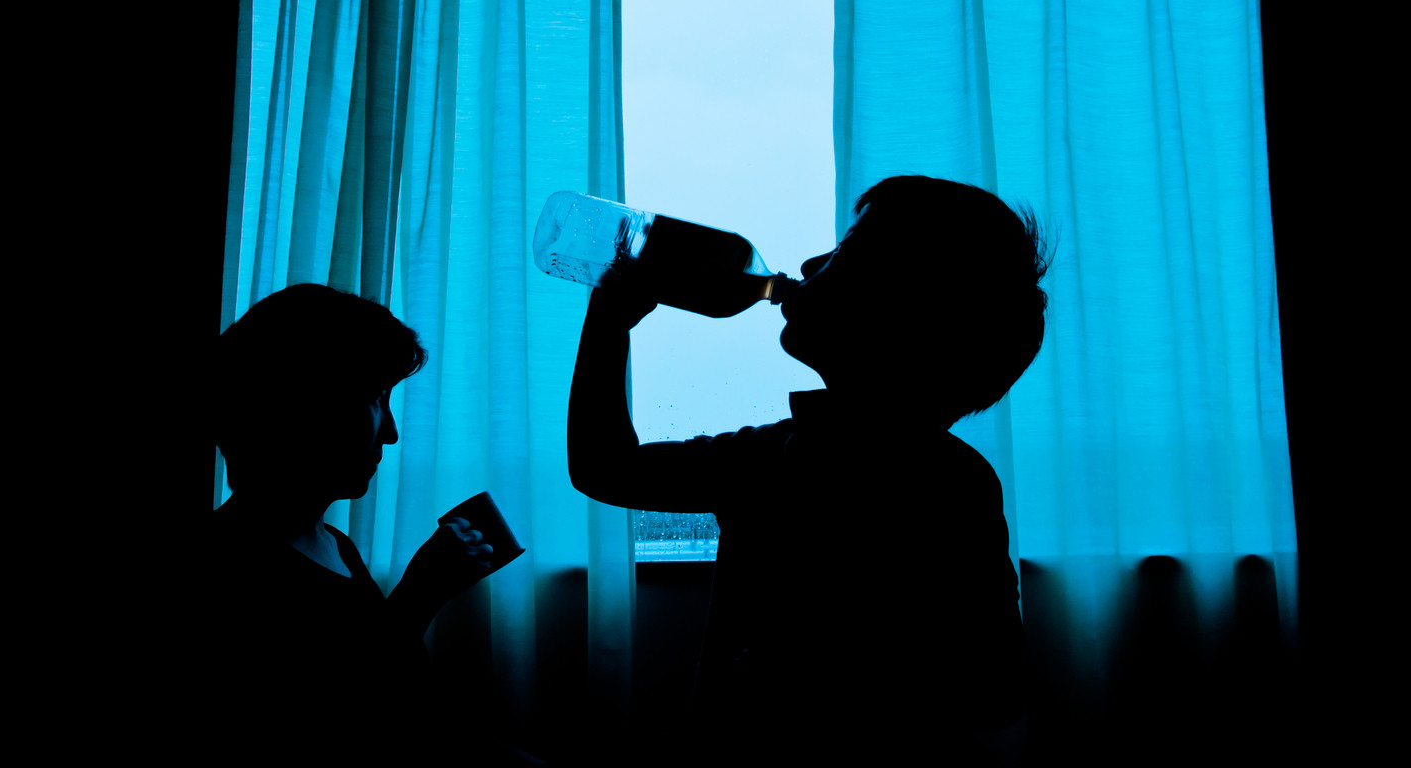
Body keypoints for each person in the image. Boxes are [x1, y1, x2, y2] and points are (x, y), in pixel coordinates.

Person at [568, 175, 1052, 765]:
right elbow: (607, 469)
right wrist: (609, 320)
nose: (807, 264)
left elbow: (995, 692)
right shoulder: (773, 451)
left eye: (845, 252)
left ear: (900, 313)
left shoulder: (949, 487)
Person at [205, 283, 496, 751]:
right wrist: (420, 595)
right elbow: (346, 719)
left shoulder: (337, 547)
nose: (392, 433)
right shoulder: (226, 566)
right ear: (302, 405)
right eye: (377, 396)